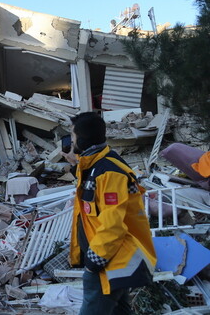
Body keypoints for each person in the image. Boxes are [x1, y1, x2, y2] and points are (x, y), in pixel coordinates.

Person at [62, 112, 156, 315]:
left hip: (109, 260)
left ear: (83, 138)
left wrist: (93, 263)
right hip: (110, 259)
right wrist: (74, 163)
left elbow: (113, 224)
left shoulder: (109, 172)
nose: (72, 140)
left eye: (73, 135)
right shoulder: (96, 164)